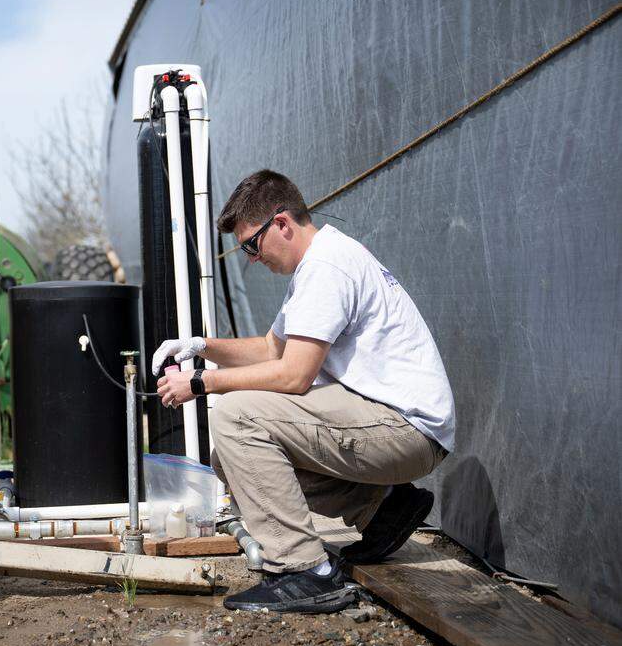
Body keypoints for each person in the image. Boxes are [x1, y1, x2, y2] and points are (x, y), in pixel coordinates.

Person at [154, 169, 455, 614]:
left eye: (250, 245)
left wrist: (201, 382)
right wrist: (201, 346)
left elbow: (292, 375)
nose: (251, 259)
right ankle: (383, 505)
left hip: (404, 428)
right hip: (388, 421)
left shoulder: (326, 268)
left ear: (281, 223)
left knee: (236, 417)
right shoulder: (319, 264)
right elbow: (270, 349)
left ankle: (303, 571)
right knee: (230, 460)